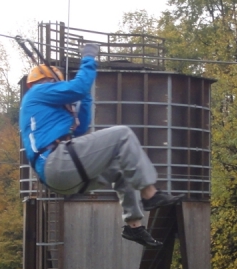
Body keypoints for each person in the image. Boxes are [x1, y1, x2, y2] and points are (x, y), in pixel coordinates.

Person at [19, 43, 182, 248]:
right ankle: (150, 195)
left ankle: (134, 226)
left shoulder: (48, 111)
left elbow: (81, 128)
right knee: (122, 134)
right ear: (48, 81)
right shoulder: (38, 92)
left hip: (62, 178)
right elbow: (77, 88)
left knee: (122, 168)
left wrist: (83, 97)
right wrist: (88, 57)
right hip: (57, 162)